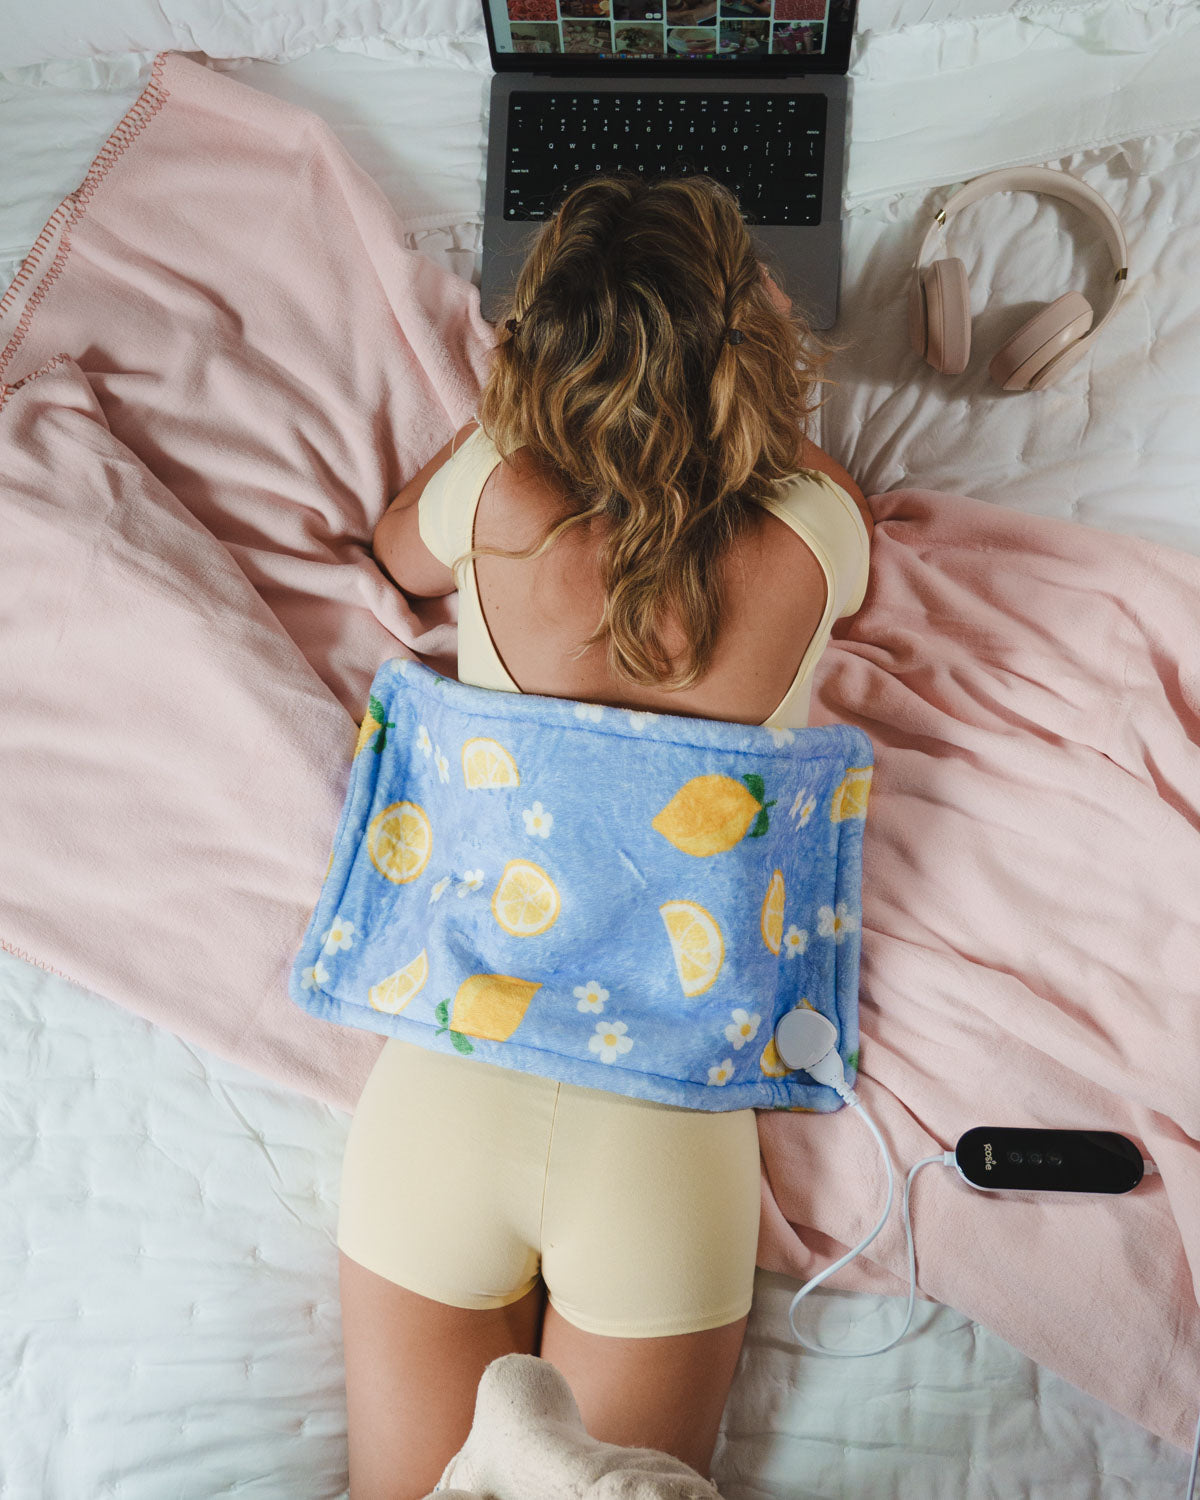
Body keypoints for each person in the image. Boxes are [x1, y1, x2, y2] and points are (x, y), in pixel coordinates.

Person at [338, 170, 874, 1500]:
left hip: (449, 1086)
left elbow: (396, 552)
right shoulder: (815, 532)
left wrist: (517, 413)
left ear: (537, 361)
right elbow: (790, 460)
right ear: (752, 346)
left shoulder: (496, 491)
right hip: (669, 1136)